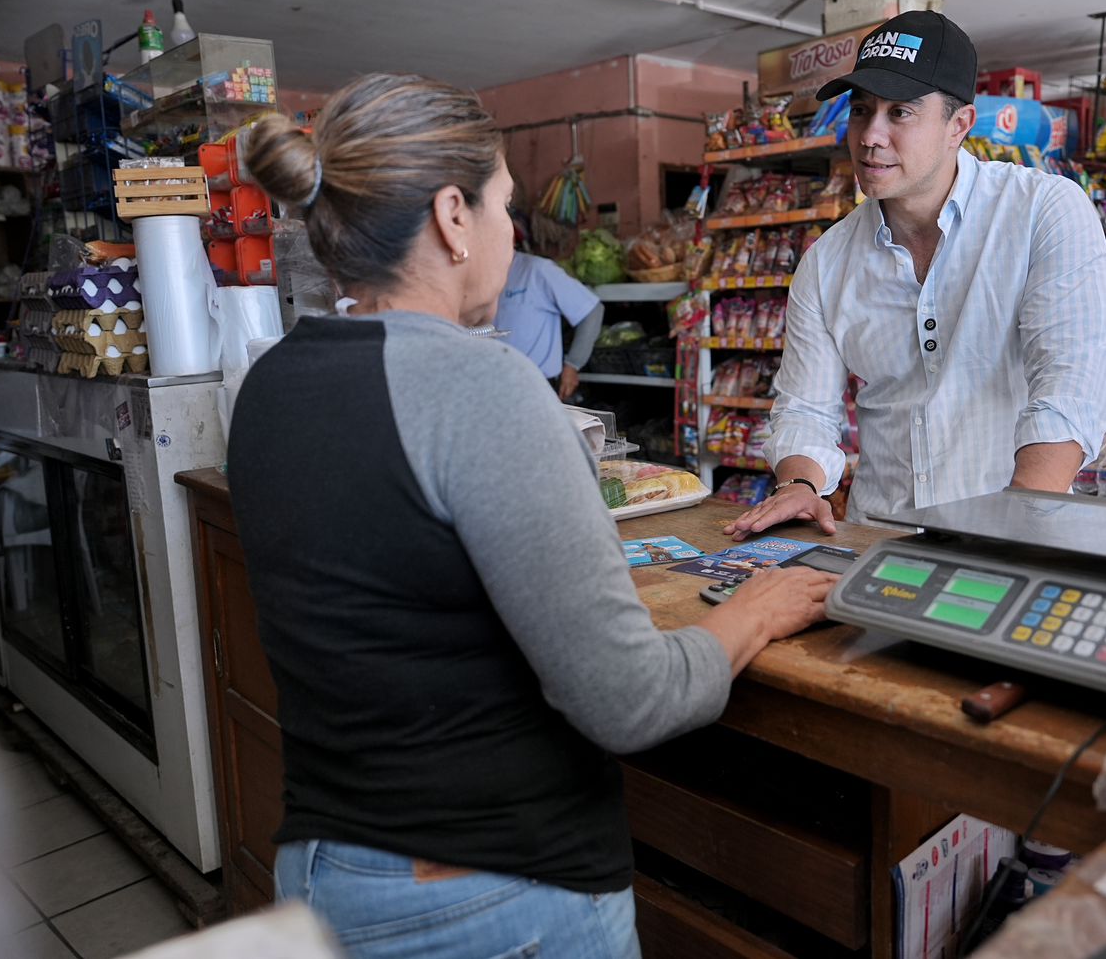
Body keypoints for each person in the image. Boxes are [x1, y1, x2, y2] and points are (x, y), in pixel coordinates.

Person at [225, 73, 837, 959]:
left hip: (325, 878)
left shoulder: (270, 384)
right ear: (452, 216)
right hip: (489, 897)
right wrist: (758, 608)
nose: (516, 237)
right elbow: (630, 701)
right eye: (506, 207)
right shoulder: (479, 383)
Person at [730, 10, 1106, 541]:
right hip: (884, 537)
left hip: (1023, 529)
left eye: (901, 113)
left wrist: (1024, 523)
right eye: (861, 110)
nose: (871, 136)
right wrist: (799, 482)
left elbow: (1069, 387)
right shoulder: (827, 261)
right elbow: (805, 408)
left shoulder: (1043, 213)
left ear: (959, 125)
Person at [495, 246, 604, 399]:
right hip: (492, 384)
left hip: (536, 387)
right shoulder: (475, 276)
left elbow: (592, 311)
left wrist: (573, 364)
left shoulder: (536, 270)